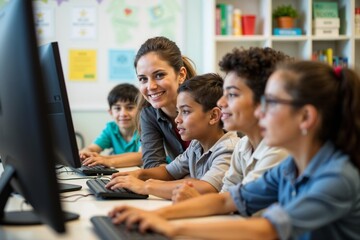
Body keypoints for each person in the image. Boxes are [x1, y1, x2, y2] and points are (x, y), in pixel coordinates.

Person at [108, 61, 360, 239]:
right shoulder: (290, 168)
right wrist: (155, 215)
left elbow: (267, 230)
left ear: (305, 117)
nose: (261, 112)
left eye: (270, 104)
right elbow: (228, 199)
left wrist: (171, 227)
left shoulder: (336, 177)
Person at [171, 47, 289, 203]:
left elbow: (234, 205)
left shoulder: (278, 151)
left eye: (232, 94)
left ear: (265, 99)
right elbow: (225, 198)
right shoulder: (243, 146)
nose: (221, 102)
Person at [104, 73, 239, 200]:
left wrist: (145, 186)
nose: (177, 119)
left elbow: (207, 188)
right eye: (177, 112)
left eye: (185, 111)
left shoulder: (228, 148)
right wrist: (138, 174)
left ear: (214, 116)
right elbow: (169, 172)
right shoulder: (197, 145)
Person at [134, 36, 197, 168]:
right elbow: (153, 164)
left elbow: (215, 170)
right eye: (143, 79)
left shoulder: (206, 104)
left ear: (181, 75)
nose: (150, 86)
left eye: (159, 75)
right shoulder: (149, 114)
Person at [79, 83, 142, 168]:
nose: (123, 114)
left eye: (130, 108)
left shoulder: (145, 128)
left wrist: (106, 159)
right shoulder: (111, 129)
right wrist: (85, 153)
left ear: (140, 110)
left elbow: (141, 156)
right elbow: (92, 149)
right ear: (111, 112)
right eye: (117, 108)